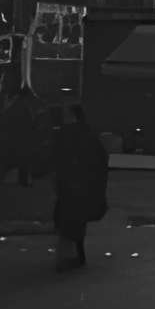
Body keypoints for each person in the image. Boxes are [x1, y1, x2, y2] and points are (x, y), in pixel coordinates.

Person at [48, 104, 111, 271]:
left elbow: (58, 157)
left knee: (68, 219)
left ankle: (69, 257)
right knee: (76, 219)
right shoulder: (87, 134)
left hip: (72, 183)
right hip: (83, 184)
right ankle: (76, 255)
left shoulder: (68, 134)